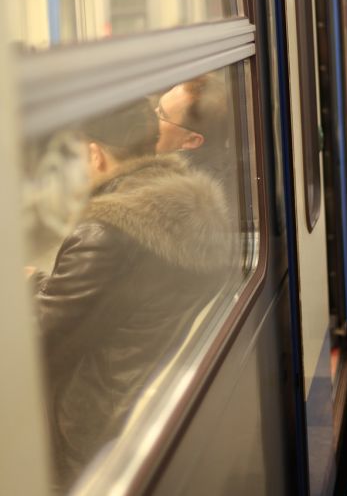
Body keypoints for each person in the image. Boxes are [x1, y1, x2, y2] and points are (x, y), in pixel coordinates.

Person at [30, 98, 230, 491]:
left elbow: (38, 342)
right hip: (144, 388)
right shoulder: (184, 201)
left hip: (93, 419)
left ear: (94, 154)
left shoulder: (106, 233)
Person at [155, 73, 230, 185]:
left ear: (192, 140)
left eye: (162, 114)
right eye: (158, 106)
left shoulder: (170, 188)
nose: (153, 113)